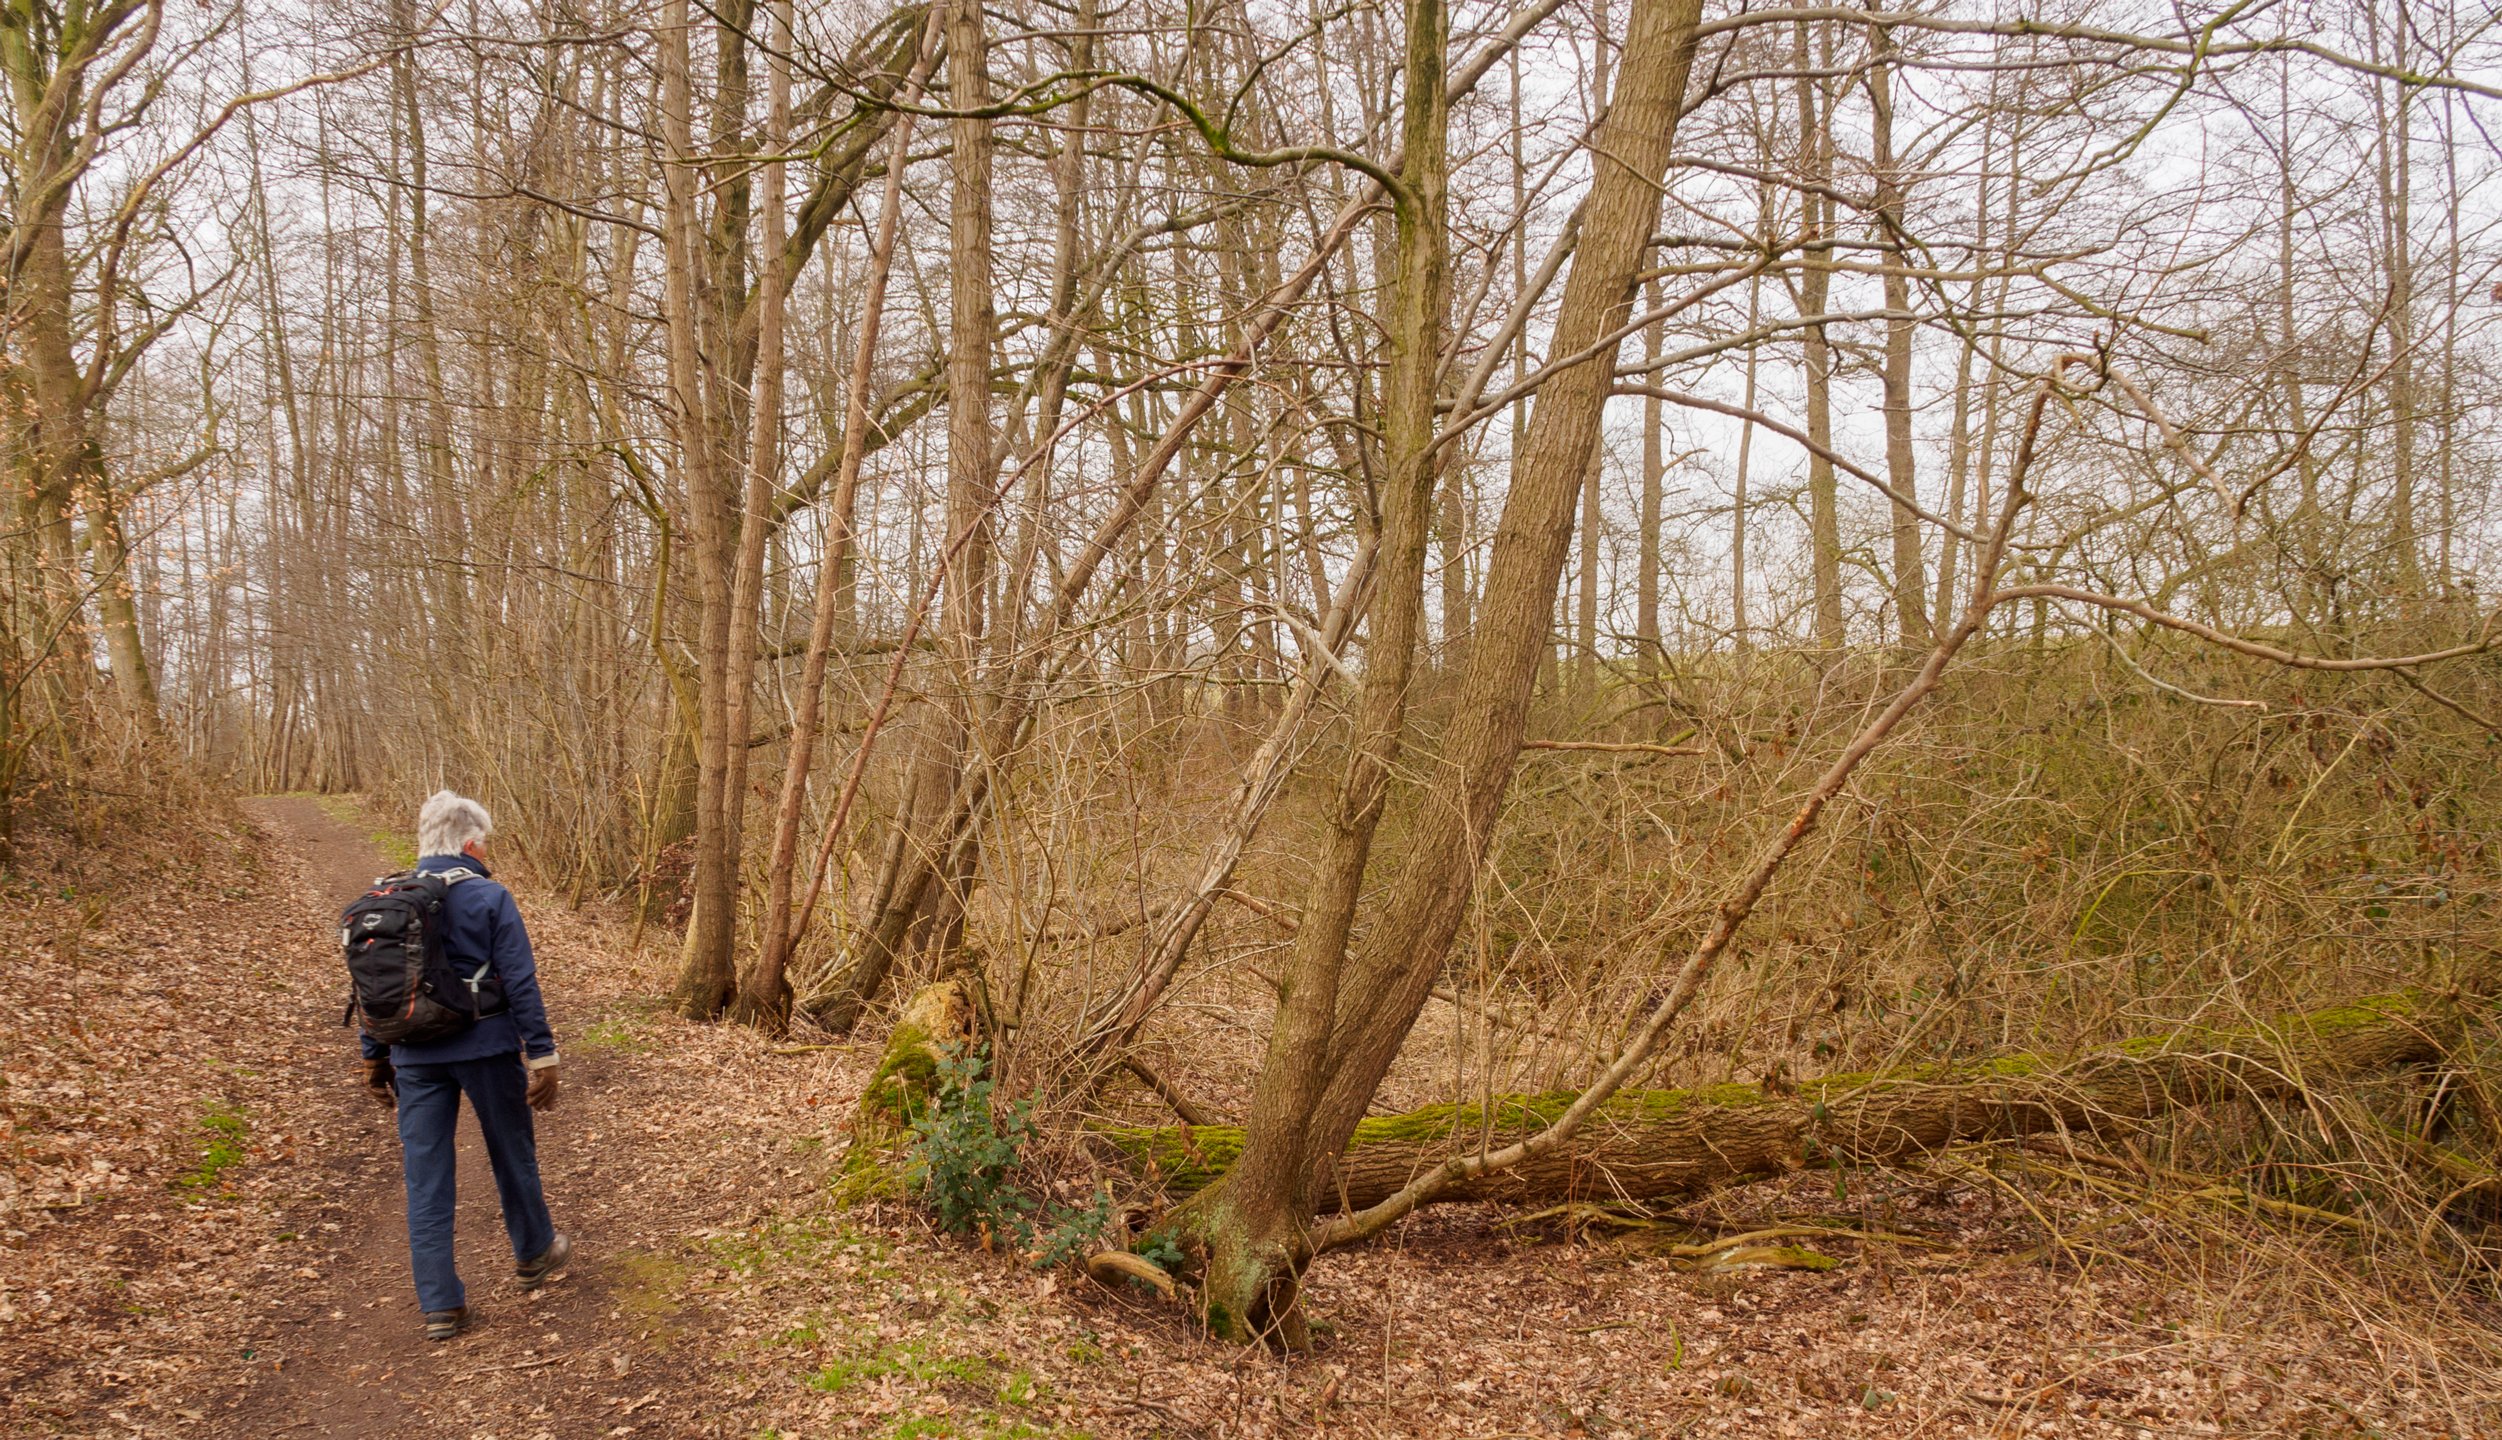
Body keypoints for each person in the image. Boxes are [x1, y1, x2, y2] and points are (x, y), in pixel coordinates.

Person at [359, 790, 569, 1341]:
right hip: (486, 1048)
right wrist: (542, 1053)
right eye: (485, 844)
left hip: (413, 1056)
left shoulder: (388, 900)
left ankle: (441, 1305)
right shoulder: (489, 896)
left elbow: (373, 985)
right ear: (471, 844)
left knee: (425, 1176)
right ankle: (534, 1252)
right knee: (511, 1153)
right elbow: (520, 980)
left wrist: (374, 1056)